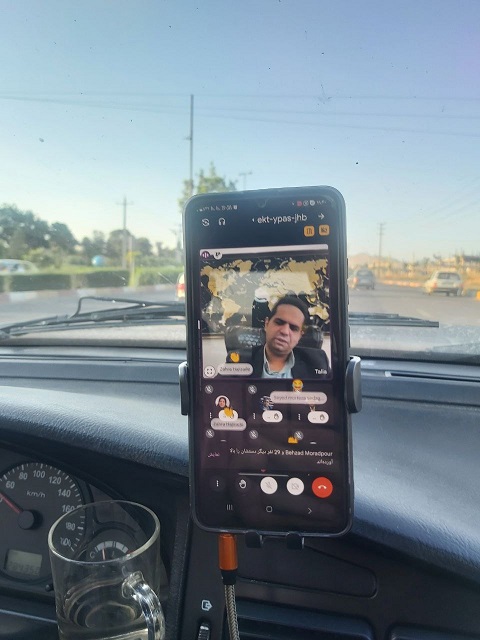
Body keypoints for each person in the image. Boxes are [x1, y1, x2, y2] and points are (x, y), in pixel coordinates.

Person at [227, 295, 331, 378]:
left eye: (293, 328)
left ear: (300, 335)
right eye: (279, 322)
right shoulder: (238, 361)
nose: (285, 331)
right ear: (267, 324)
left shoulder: (318, 362)